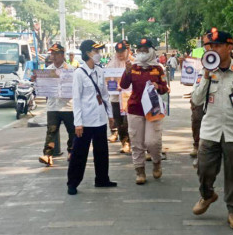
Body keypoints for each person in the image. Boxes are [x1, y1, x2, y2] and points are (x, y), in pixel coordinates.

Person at [191, 28, 233, 231]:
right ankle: (207, 194)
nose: (213, 50)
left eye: (218, 46)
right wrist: (205, 76)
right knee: (203, 169)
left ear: (230, 47)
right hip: (210, 130)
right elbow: (196, 99)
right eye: (210, 46)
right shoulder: (205, 71)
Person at [67, 40, 117, 195]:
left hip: (100, 118)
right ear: (88, 53)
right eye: (96, 51)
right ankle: (73, 183)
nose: (99, 54)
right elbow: (76, 99)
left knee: (102, 151)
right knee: (79, 153)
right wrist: (78, 123)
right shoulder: (79, 74)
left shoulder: (100, 71)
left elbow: (104, 95)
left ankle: (102, 179)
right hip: (86, 121)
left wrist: (110, 115)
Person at [120, 38, 169, 185]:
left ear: (151, 51)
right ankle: (140, 171)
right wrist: (127, 72)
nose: (142, 52)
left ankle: (156, 162)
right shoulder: (133, 67)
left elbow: (165, 88)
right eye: (139, 50)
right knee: (136, 142)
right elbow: (123, 85)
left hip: (153, 109)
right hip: (135, 109)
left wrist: (157, 86)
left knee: (152, 141)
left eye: (145, 50)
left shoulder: (158, 68)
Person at [38, 43, 75, 166]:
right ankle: (48, 155)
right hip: (53, 106)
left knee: (72, 131)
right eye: (52, 54)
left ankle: (72, 152)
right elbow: (41, 88)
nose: (52, 56)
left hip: (68, 106)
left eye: (55, 54)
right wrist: (36, 81)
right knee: (51, 131)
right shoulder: (47, 71)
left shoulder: (71, 70)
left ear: (62, 55)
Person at [106, 41, 131, 154]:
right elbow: (106, 79)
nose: (120, 54)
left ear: (127, 51)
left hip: (129, 97)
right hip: (115, 98)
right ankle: (124, 142)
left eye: (122, 51)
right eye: (118, 52)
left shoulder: (133, 62)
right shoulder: (111, 64)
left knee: (129, 122)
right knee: (119, 122)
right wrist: (113, 85)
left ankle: (132, 142)